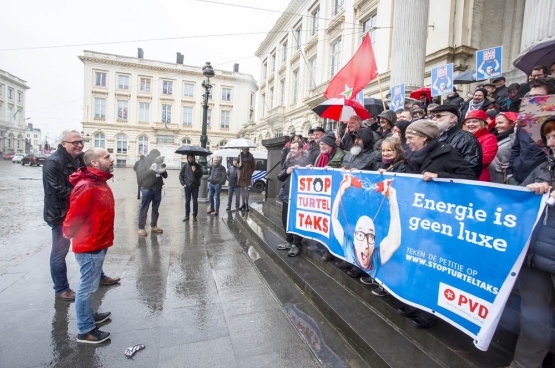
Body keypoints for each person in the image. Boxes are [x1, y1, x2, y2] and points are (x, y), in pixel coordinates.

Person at [502, 116, 555, 368]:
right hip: (535, 254)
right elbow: (519, 198)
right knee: (534, 315)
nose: (553, 140)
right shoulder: (543, 166)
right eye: (550, 135)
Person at [43, 130, 118, 301]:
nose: (79, 145)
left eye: (81, 141)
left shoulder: (80, 158)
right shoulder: (53, 162)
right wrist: (87, 192)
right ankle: (61, 288)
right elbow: (56, 190)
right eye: (74, 142)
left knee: (93, 248)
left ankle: (98, 277)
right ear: (64, 144)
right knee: (59, 252)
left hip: (81, 210)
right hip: (60, 214)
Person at [63, 147, 115, 344]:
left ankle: (89, 316)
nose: (111, 159)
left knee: (90, 285)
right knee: (87, 287)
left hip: (98, 241)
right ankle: (85, 330)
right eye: (106, 157)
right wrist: (67, 233)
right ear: (94, 163)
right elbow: (74, 217)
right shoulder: (87, 185)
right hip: (90, 244)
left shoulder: (98, 181)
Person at [361, 136, 407, 293]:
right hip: (383, 212)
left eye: (390, 150)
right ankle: (377, 275)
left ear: (398, 151)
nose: (386, 153)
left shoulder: (403, 167)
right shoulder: (387, 166)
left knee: (391, 251)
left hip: (394, 213)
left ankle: (386, 284)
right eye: (383, 150)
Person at [331, 175, 401, 279]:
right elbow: (334, 218)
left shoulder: (376, 259)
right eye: (360, 234)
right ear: (354, 237)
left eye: (370, 236)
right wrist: (342, 189)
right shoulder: (348, 248)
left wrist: (392, 196)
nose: (365, 245)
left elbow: (394, 240)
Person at [507, 78, 554, 184]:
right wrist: (511, 172)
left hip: (544, 180)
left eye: (537, 97)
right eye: (530, 96)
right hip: (519, 175)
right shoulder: (524, 121)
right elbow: (516, 148)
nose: (532, 100)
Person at [429, 104, 482, 179]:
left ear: (452, 118)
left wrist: (440, 176)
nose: (434, 119)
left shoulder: (467, 138)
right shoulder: (432, 137)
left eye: (438, 116)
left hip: (452, 186)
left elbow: (471, 170)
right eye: (432, 117)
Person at [277, 141, 309, 257]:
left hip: (299, 196)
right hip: (287, 194)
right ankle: (288, 240)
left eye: (294, 148)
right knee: (285, 220)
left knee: (297, 221)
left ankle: (296, 244)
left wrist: (305, 169)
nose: (291, 150)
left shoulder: (307, 160)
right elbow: (279, 177)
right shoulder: (287, 161)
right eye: (291, 148)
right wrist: (286, 171)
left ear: (301, 149)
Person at [462, 110, 498, 182]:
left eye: (475, 121)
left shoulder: (489, 138)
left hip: (478, 176)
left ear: (483, 123)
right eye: (468, 122)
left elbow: (486, 159)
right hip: (462, 174)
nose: (471, 124)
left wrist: (460, 162)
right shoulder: (463, 137)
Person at [137, 149, 167, 236]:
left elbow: (165, 176)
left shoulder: (159, 162)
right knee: (144, 208)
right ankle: (141, 228)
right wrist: (150, 169)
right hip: (147, 189)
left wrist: (163, 169)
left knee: (155, 209)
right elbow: (141, 176)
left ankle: (154, 226)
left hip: (157, 189)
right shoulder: (144, 162)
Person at [489, 112, 517, 184]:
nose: (497, 126)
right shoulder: (494, 138)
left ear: (512, 123)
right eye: (496, 124)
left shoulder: (516, 138)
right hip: (493, 178)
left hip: (506, 180)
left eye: (500, 123)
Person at [179, 154, 203, 221]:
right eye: (188, 158)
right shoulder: (184, 166)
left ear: (193, 158)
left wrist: (195, 171)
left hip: (195, 186)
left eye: (191, 158)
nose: (190, 159)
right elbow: (181, 175)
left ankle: (194, 215)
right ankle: (187, 215)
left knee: (195, 201)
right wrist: (183, 183)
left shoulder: (197, 166)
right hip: (187, 186)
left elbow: (200, 175)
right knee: (187, 201)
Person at [237, 147, 256, 211]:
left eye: (245, 149)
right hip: (241, 175)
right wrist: (239, 165)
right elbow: (236, 165)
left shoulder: (251, 157)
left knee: (246, 189)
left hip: (247, 175)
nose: (244, 150)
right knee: (242, 189)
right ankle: (243, 204)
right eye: (243, 149)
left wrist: (250, 173)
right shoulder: (239, 156)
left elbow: (253, 166)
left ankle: (247, 204)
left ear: (248, 150)